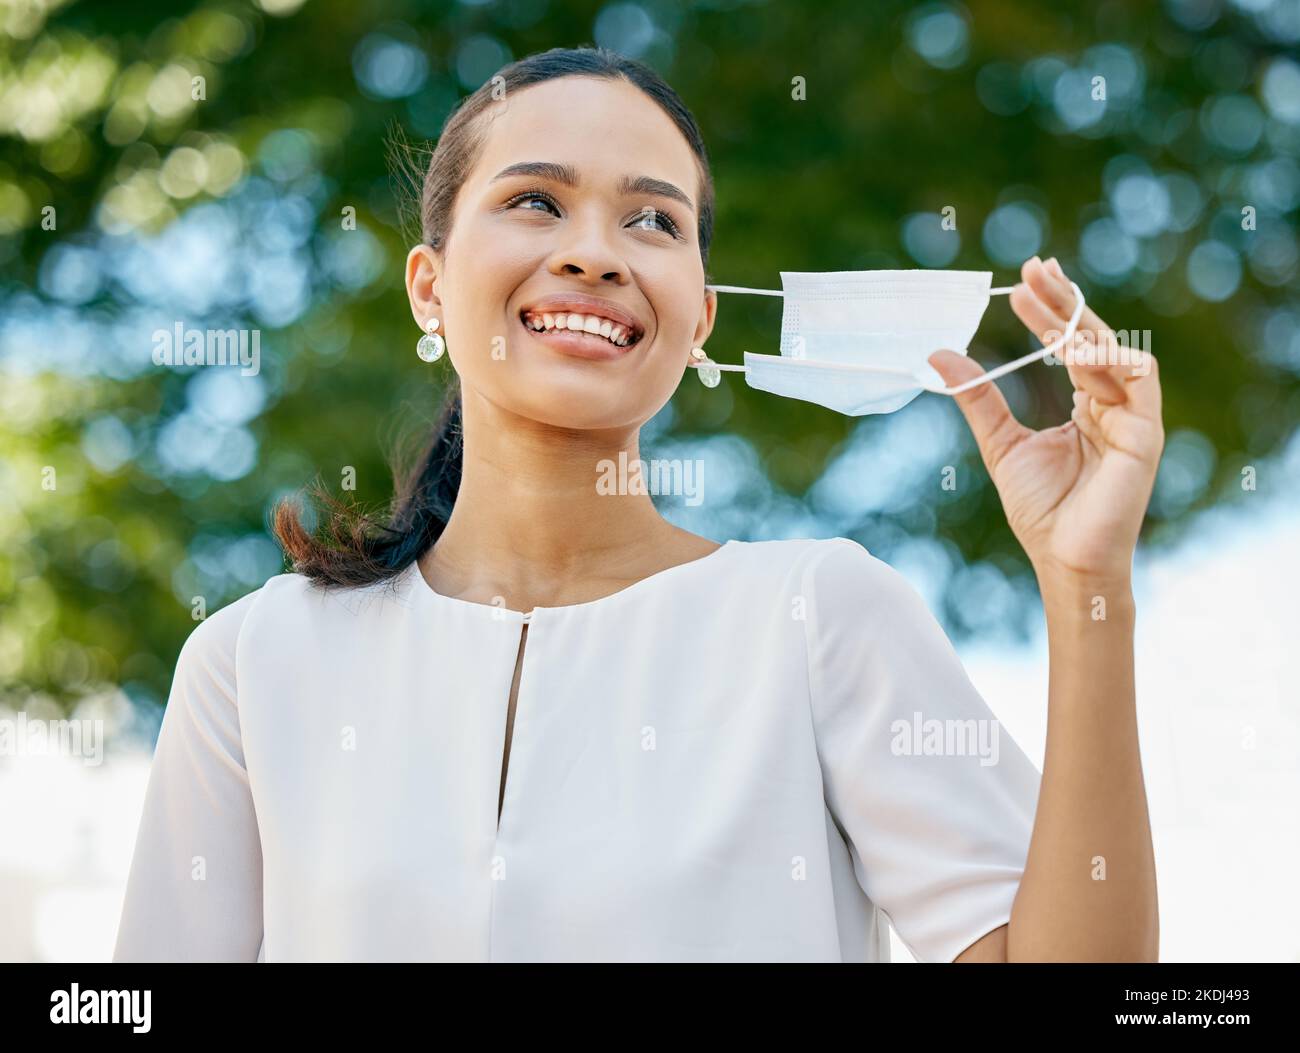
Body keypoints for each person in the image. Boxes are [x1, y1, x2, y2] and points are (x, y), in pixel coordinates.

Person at [112, 46, 1163, 963]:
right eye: (534, 200)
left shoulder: (819, 616)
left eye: (652, 219)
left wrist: (1085, 586)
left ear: (699, 319)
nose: (595, 252)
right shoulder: (255, 663)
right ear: (430, 287)